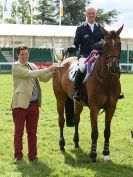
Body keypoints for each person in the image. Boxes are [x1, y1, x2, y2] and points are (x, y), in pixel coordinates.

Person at [11, 45, 58, 161]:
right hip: (20, 105)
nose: (25, 56)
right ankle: (18, 156)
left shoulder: (32, 65)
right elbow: (31, 74)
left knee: (32, 132)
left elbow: (43, 78)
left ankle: (33, 155)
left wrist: (53, 72)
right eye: (22, 54)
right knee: (19, 132)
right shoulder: (16, 66)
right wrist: (49, 68)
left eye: (26, 54)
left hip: (34, 104)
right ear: (18, 55)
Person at [67, 6, 104, 101]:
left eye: (93, 13)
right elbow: (76, 44)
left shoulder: (100, 28)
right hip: (85, 55)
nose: (91, 14)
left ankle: (115, 91)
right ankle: (76, 91)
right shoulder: (80, 28)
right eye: (89, 13)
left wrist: (101, 45)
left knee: (110, 66)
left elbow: (105, 42)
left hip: (98, 55)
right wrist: (73, 48)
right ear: (86, 14)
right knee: (82, 67)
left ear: (96, 14)